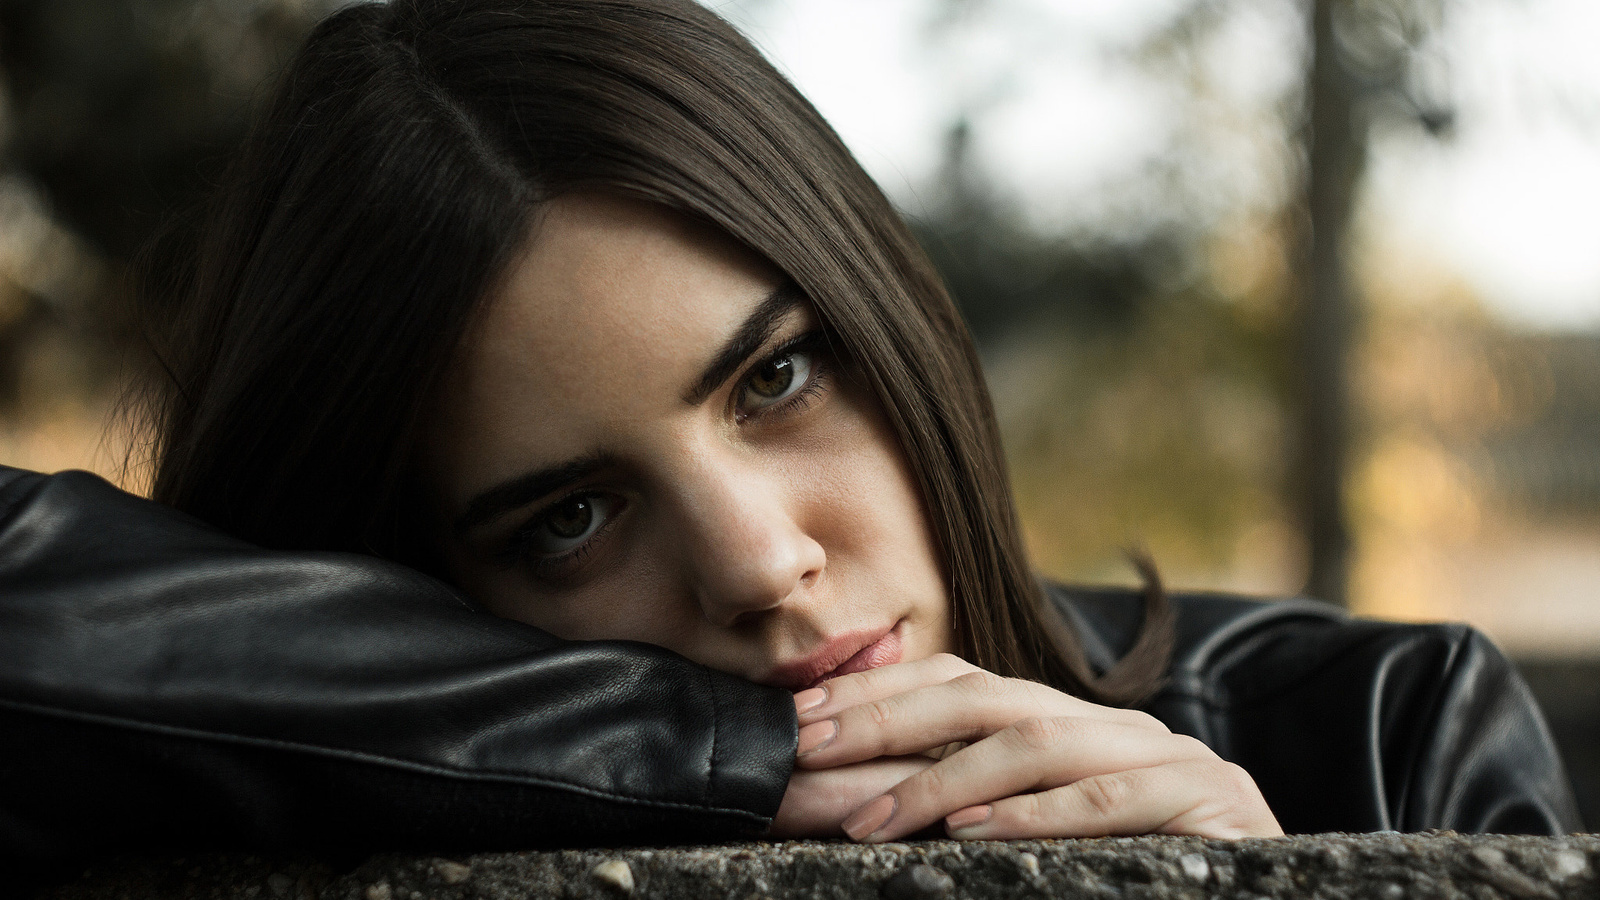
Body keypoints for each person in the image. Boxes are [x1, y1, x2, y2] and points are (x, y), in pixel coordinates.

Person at [0, 0, 1578, 874]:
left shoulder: (1384, 734)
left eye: (773, 380)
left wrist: (1257, 882)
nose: (761, 563)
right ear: (389, 587)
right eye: (569, 519)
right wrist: (701, 764)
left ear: (889, 312)